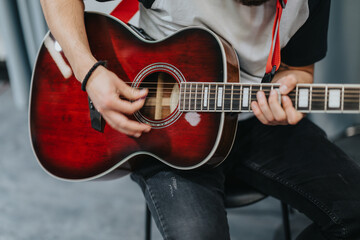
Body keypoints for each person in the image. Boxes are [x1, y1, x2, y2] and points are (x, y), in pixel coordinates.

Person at [40, 0, 360, 239]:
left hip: (257, 120)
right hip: (163, 134)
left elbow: (300, 70)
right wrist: (90, 74)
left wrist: (292, 88)